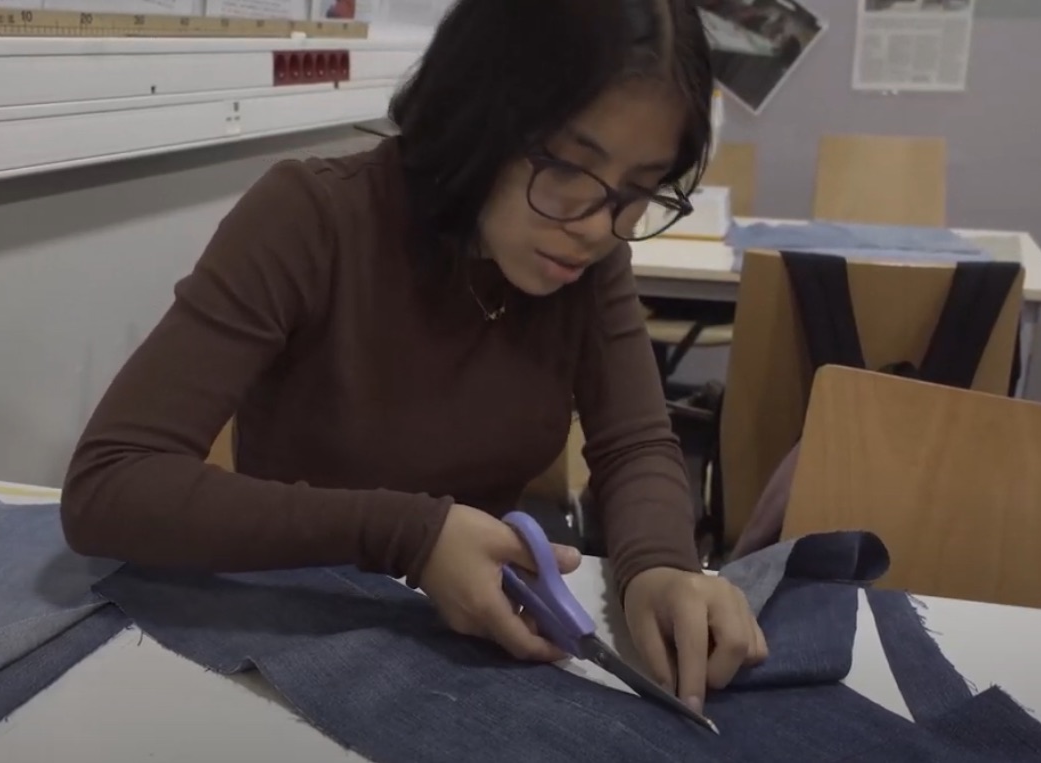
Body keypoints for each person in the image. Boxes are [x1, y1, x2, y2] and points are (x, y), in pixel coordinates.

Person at [60, 0, 766, 714]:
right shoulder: (311, 217)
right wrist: (407, 536)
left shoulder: (589, 256)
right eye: (565, 167)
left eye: (639, 189)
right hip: (286, 633)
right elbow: (110, 485)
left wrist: (661, 567)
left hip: (468, 647)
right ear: (479, 113)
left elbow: (634, 441)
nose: (598, 227)